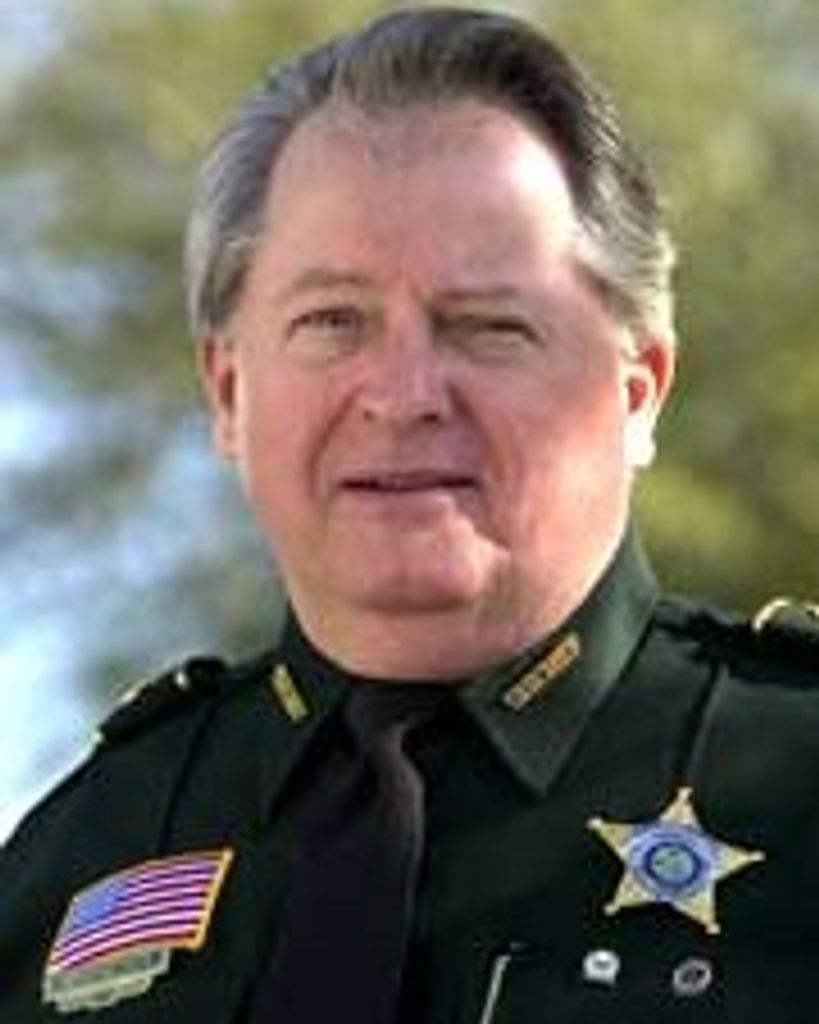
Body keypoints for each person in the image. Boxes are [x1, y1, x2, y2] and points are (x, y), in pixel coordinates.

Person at [2, 6, 818, 1022]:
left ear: (637, 391)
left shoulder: (796, 779)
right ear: (229, 392)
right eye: (332, 321)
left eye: (486, 325)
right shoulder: (77, 856)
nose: (402, 394)